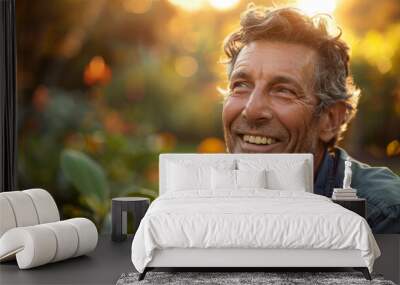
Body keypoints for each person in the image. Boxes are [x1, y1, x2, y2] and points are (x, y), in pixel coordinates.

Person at [221, 5, 400, 233]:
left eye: (283, 90)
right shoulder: (194, 204)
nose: (252, 110)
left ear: (331, 119)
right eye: (241, 85)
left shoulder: (382, 217)